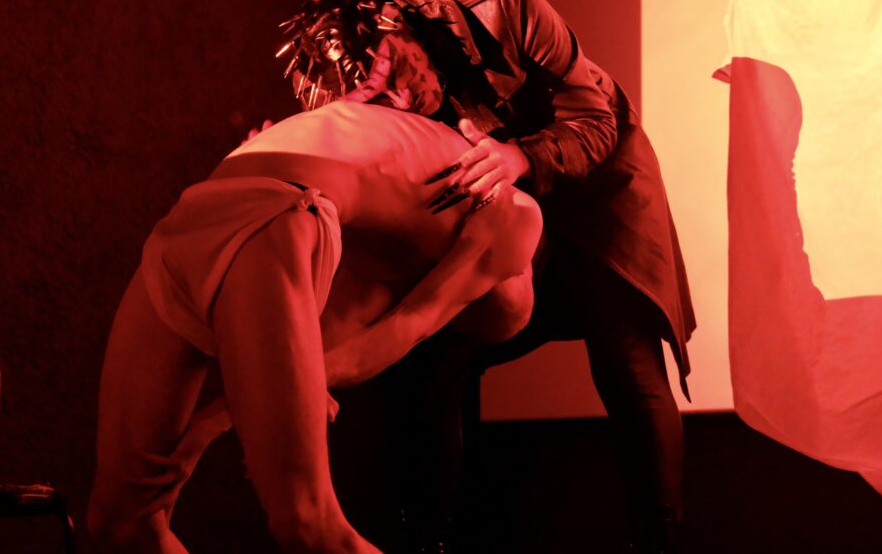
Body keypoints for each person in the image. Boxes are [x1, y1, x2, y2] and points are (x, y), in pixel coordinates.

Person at [85, 40, 543, 553]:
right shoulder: (517, 218)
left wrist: (209, 426)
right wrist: (208, 427)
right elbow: (397, 331)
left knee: (303, 525)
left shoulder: (380, 262)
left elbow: (335, 357)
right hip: (228, 214)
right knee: (121, 526)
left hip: (226, 214)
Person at [349, 0, 697, 554]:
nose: (400, 101)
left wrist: (517, 157)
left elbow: (595, 121)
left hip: (606, 188)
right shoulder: (364, 73)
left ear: (398, 31)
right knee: (440, 359)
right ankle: (427, 543)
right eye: (379, 98)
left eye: (398, 76)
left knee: (627, 359)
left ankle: (657, 544)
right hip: (515, 205)